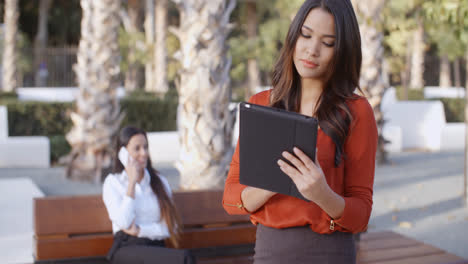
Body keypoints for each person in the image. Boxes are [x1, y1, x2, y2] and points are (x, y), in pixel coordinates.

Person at [223, 0, 378, 263]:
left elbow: (361, 215)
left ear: (342, 51)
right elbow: (230, 199)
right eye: (305, 35)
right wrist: (276, 181)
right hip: (271, 251)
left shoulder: (357, 112)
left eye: (327, 43)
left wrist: (321, 194)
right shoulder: (262, 104)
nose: (312, 49)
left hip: (331, 252)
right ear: (293, 36)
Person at [103, 126, 194, 264]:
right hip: (126, 249)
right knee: (184, 258)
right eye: (137, 148)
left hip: (155, 247)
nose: (144, 153)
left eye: (145, 147)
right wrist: (132, 183)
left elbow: (171, 226)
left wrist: (140, 230)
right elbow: (123, 222)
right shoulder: (113, 183)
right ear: (123, 153)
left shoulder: (159, 182)